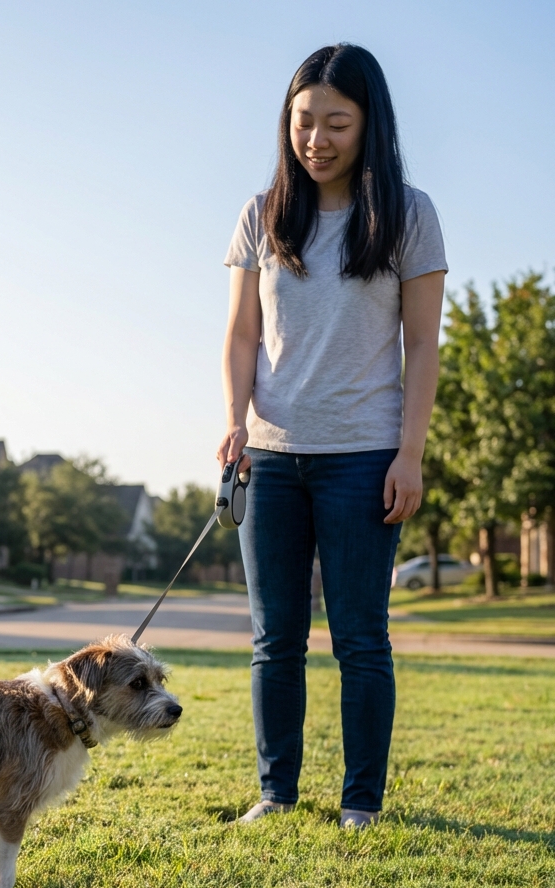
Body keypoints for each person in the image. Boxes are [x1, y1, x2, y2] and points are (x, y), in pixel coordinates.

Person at [218, 44, 447, 829]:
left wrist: (408, 454)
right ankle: (276, 793)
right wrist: (234, 423)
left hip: (364, 457)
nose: (315, 139)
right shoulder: (262, 213)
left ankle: (361, 803)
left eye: (336, 124)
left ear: (368, 125)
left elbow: (424, 345)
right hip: (273, 458)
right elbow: (243, 334)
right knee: (274, 639)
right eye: (303, 121)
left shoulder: (409, 214)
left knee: (360, 638)